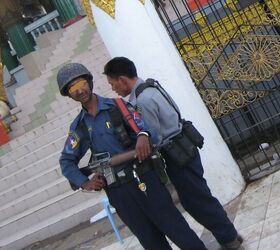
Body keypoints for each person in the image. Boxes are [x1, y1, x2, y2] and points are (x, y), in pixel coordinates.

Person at [57, 62, 207, 250]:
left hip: (144, 178)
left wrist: (143, 136)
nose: (79, 91)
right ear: (69, 94)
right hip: (119, 193)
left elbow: (149, 129)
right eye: (72, 88)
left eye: (81, 84)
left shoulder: (118, 106)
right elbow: (66, 161)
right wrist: (84, 182)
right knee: (151, 242)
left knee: (177, 229)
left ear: (89, 82)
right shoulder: (78, 127)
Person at [103, 57, 244, 250]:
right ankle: (229, 235)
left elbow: (153, 136)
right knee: (198, 197)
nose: (113, 89)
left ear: (122, 79)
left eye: (112, 83)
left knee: (197, 200)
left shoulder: (142, 101)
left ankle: (230, 239)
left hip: (176, 153)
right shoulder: (150, 86)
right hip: (184, 145)